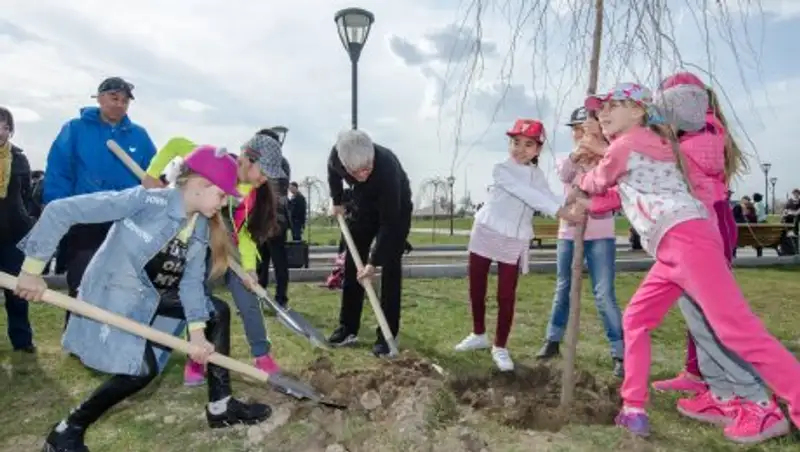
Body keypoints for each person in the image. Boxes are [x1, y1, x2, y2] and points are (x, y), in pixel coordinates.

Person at [572, 82, 800, 439]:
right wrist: (585, 203)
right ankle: (633, 408)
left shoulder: (628, 144)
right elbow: (620, 194)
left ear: (638, 110)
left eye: (612, 105)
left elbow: (599, 181)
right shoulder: (651, 148)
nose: (602, 113)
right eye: (599, 108)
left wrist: (577, 173)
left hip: (686, 239)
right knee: (636, 319)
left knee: (736, 329)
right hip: (672, 247)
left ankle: (785, 405)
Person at [14, 145, 272, 451]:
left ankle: (221, 407)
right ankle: (67, 430)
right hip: (114, 294)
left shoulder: (199, 224)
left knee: (216, 310)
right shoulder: (145, 201)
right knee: (141, 370)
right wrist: (31, 271)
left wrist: (198, 336)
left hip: (151, 295)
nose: (225, 201)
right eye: (222, 194)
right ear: (201, 184)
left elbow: (190, 283)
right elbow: (61, 211)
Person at [644, 73, 789, 444]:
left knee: (717, 319)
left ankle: (758, 400)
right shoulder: (688, 135)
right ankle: (722, 392)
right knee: (697, 318)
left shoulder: (704, 134)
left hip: (704, 231)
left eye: (668, 103)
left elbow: (675, 163)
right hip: (689, 231)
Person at [143, 135, 285, 386]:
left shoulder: (252, 193)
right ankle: (197, 360)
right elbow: (175, 143)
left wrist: (249, 269)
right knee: (199, 301)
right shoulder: (215, 161)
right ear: (247, 160)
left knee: (248, 302)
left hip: (232, 253)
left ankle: (262, 355)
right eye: (263, 173)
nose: (264, 181)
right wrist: (152, 173)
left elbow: (246, 234)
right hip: (202, 249)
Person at [453, 119, 585, 371]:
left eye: (528, 144)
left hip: (514, 238)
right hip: (486, 230)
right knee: (477, 287)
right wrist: (562, 212)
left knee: (506, 294)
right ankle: (478, 334)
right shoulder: (500, 169)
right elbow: (528, 195)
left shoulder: (537, 176)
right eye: (515, 143)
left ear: (538, 149)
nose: (520, 149)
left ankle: (500, 346)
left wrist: (574, 198)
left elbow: (547, 196)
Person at [43, 77, 157, 329]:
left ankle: (113, 334)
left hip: (125, 220)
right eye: (115, 98)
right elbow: (59, 171)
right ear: (100, 98)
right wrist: (58, 209)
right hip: (85, 216)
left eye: (125, 101)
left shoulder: (139, 135)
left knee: (121, 279)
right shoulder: (75, 129)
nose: (120, 105)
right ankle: (75, 334)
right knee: (83, 276)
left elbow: (153, 174)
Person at [535, 109, 624, 377]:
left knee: (603, 293)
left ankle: (619, 351)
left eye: (585, 128)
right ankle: (552, 340)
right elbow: (563, 175)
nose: (580, 133)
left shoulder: (609, 158)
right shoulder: (567, 159)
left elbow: (611, 185)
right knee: (562, 288)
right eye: (576, 129)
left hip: (601, 235)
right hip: (569, 233)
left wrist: (599, 153)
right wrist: (578, 155)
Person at [326, 129, 413, 357]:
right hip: (363, 205)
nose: (363, 174)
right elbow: (332, 174)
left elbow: (389, 222)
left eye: (367, 168)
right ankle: (348, 327)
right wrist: (337, 201)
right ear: (345, 165)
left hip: (395, 209)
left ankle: (387, 335)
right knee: (353, 265)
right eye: (357, 171)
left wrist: (373, 263)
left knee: (390, 267)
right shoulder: (337, 158)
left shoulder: (387, 168)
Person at [0, 106, 35, 353]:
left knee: (17, 292)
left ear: (10, 130)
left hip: (13, 235)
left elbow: (27, 194)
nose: (0, 130)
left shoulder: (20, 158)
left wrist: (29, 219)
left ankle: (22, 341)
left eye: (4, 125)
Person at [255, 128, 292, 308]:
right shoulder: (276, 162)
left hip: (275, 219)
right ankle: (260, 296)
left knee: (278, 261)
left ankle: (280, 299)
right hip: (264, 218)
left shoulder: (278, 165)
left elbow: (275, 192)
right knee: (260, 261)